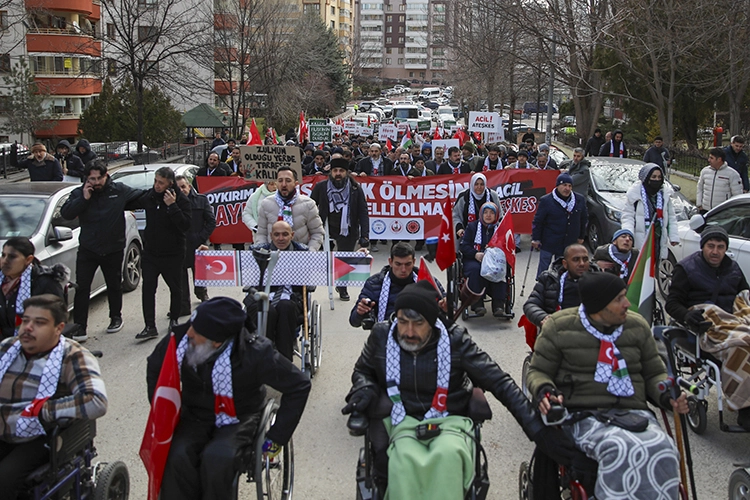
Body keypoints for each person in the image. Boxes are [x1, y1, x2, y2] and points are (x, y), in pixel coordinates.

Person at [343, 282, 575, 497]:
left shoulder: (454, 339)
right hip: (401, 416)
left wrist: (539, 432)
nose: (409, 331)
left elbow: (499, 382)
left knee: (449, 455)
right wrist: (364, 389)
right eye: (403, 321)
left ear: (433, 323)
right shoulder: (382, 335)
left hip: (449, 416)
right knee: (403, 457)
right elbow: (363, 371)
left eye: (418, 323)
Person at [527, 272, 689, 500]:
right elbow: (538, 371)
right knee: (618, 447)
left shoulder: (637, 326)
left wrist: (666, 394)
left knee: (663, 447)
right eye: (619, 299)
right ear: (598, 306)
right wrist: (545, 390)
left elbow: (654, 373)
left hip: (632, 412)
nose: (627, 304)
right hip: (583, 414)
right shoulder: (559, 327)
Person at [147, 296, 310, 500]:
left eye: (196, 332)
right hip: (195, 414)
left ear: (216, 341)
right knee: (177, 456)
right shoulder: (180, 340)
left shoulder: (256, 353)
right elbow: (155, 366)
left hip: (240, 417)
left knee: (217, 459)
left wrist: (275, 439)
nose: (189, 333)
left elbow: (300, 385)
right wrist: (163, 408)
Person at [0, 294, 107, 500]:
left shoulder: (73, 356)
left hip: (38, 436)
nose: (28, 327)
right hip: (3, 425)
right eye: (25, 320)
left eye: (39, 322)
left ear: (58, 328)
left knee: (4, 479)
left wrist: (45, 410)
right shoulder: (7, 347)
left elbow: (96, 401)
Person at [61, 161, 146, 340]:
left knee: (114, 284)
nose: (97, 182)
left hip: (113, 247)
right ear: (86, 178)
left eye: (100, 178)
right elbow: (66, 213)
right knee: (82, 288)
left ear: (106, 175)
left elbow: (144, 197)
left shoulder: (119, 190)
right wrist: (83, 198)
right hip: (88, 249)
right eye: (92, 179)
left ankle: (116, 317)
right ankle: (80, 326)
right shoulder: (79, 193)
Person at [133, 167, 192, 340]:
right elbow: (133, 200)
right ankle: (149, 326)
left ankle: (174, 319)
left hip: (173, 253)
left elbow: (185, 225)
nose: (157, 186)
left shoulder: (181, 201)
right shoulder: (150, 197)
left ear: (170, 183)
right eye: (155, 181)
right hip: (151, 252)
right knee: (148, 288)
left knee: (175, 288)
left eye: (161, 183)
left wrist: (172, 206)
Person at [244, 221, 308, 360]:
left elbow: (326, 265)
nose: (281, 238)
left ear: (292, 235)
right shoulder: (257, 252)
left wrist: (358, 255)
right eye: (277, 235)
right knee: (267, 309)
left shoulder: (302, 252)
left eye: (285, 234)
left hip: (290, 297)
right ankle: (265, 355)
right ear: (271, 236)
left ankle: (284, 360)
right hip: (262, 294)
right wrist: (204, 255)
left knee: (285, 307)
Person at [666, 225, 748, 329]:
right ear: (703, 247)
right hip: (704, 324)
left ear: (725, 249)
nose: (715, 252)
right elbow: (672, 303)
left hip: (733, 321)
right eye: (710, 246)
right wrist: (686, 315)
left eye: (720, 247)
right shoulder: (686, 269)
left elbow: (745, 296)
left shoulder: (733, 268)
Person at [311, 157, 369, 301]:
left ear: (346, 173)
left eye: (341, 171)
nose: (338, 173)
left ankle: (342, 287)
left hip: (347, 229)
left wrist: (365, 235)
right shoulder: (321, 187)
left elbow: (363, 212)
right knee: (321, 259)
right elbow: (310, 208)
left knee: (345, 260)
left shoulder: (355, 189)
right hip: (326, 228)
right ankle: (312, 285)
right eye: (335, 171)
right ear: (330, 172)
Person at [350, 242, 444, 328]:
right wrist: (360, 312)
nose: (403, 269)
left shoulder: (427, 282)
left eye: (408, 264)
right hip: (386, 336)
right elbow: (354, 321)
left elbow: (447, 312)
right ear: (390, 262)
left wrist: (445, 307)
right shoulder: (374, 284)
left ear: (414, 262)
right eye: (398, 264)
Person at [0, 238, 66, 340]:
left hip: (34, 344)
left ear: (28, 260)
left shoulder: (45, 283)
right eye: (3, 255)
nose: (5, 261)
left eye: (12, 257)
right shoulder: (2, 281)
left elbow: (57, 320)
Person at [531, 173, 588, 278]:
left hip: (568, 241)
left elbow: (583, 219)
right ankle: (540, 285)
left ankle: (560, 287)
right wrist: (536, 238)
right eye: (564, 185)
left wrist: (581, 236)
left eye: (570, 186)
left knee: (562, 268)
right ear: (557, 186)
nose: (567, 188)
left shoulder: (579, 199)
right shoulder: (546, 200)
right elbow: (538, 221)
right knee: (544, 267)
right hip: (549, 240)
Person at [523, 243, 592, 328]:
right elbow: (531, 305)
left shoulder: (600, 281)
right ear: (565, 264)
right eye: (576, 259)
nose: (582, 263)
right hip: (556, 330)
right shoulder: (550, 279)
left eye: (585, 259)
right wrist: (544, 317)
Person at [256, 167, 325, 251]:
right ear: (276, 183)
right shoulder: (266, 204)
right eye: (280, 180)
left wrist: (309, 253)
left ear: (295, 183)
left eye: (288, 181)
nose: (284, 184)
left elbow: (317, 233)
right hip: (272, 257)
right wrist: (264, 254)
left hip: (300, 257)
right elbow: (261, 234)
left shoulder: (308, 204)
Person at [620, 163, 679, 260]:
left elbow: (671, 218)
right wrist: (628, 235)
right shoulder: (635, 194)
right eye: (653, 177)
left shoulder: (665, 195)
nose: (656, 180)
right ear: (646, 178)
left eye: (659, 177)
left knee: (654, 269)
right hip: (641, 240)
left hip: (658, 240)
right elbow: (628, 216)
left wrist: (674, 237)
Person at [460, 202, 507, 317]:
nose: (488, 215)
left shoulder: (501, 229)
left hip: (494, 260)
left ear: (496, 215)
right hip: (474, 259)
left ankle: (498, 305)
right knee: (476, 269)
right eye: (485, 212)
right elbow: (464, 246)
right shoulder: (472, 227)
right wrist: (475, 254)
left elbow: (507, 246)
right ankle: (477, 304)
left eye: (491, 213)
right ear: (481, 214)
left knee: (499, 270)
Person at [176, 175, 215, 310]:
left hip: (197, 243)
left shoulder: (201, 200)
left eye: (183, 187)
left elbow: (211, 221)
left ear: (189, 187)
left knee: (199, 272)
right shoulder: (173, 203)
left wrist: (201, 237)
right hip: (180, 244)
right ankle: (183, 304)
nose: (181, 190)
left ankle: (202, 294)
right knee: (180, 275)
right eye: (178, 188)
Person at [453, 172, 501, 240]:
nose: (479, 187)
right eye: (476, 184)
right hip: (467, 235)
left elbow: (500, 215)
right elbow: (456, 216)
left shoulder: (492, 195)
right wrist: (459, 228)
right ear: (472, 184)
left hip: (489, 235)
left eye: (482, 184)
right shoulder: (464, 196)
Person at [696, 147, 744, 215]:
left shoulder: (732, 174)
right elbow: (700, 188)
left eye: (711, 158)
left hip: (722, 212)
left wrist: (731, 211)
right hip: (705, 210)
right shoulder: (705, 171)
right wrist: (699, 204)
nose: (709, 160)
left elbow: (737, 195)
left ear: (719, 159)